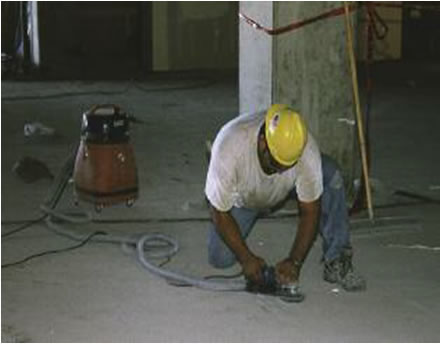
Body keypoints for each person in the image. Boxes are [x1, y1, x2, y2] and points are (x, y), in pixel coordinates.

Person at [204, 104, 366, 292]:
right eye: (275, 164)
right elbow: (218, 212)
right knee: (220, 258)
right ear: (263, 142)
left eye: (287, 165)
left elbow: (310, 211)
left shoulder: (304, 148)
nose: (280, 170)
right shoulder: (231, 146)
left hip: (286, 188)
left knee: (330, 174)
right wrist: (246, 259)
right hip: (245, 197)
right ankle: (220, 183)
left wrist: (295, 262)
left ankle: (337, 257)